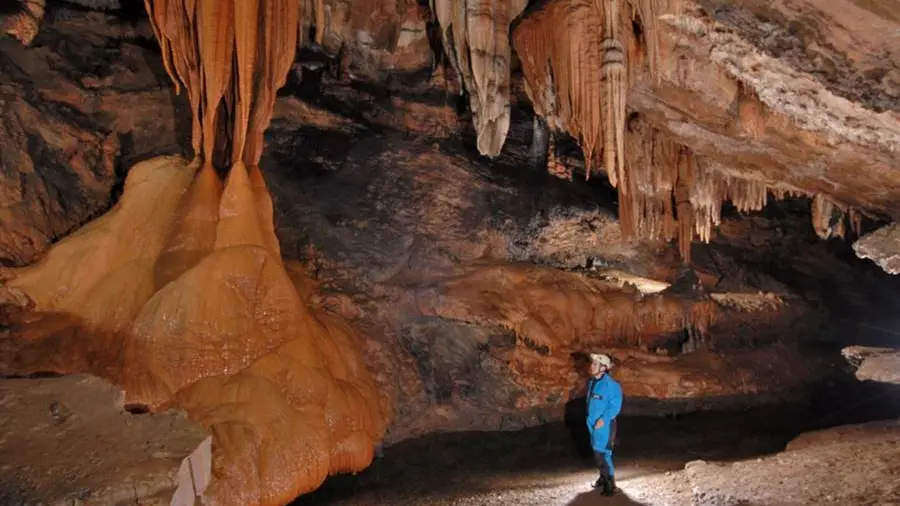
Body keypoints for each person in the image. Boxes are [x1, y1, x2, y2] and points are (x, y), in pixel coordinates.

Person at [585, 352, 623, 495]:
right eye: (592, 363)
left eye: (595, 364)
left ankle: (610, 484)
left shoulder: (611, 385)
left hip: (604, 425)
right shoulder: (593, 382)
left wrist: (603, 419)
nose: (591, 366)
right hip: (592, 423)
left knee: (602, 454)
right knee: (597, 451)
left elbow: (615, 406)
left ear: (603, 368)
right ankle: (603, 476)